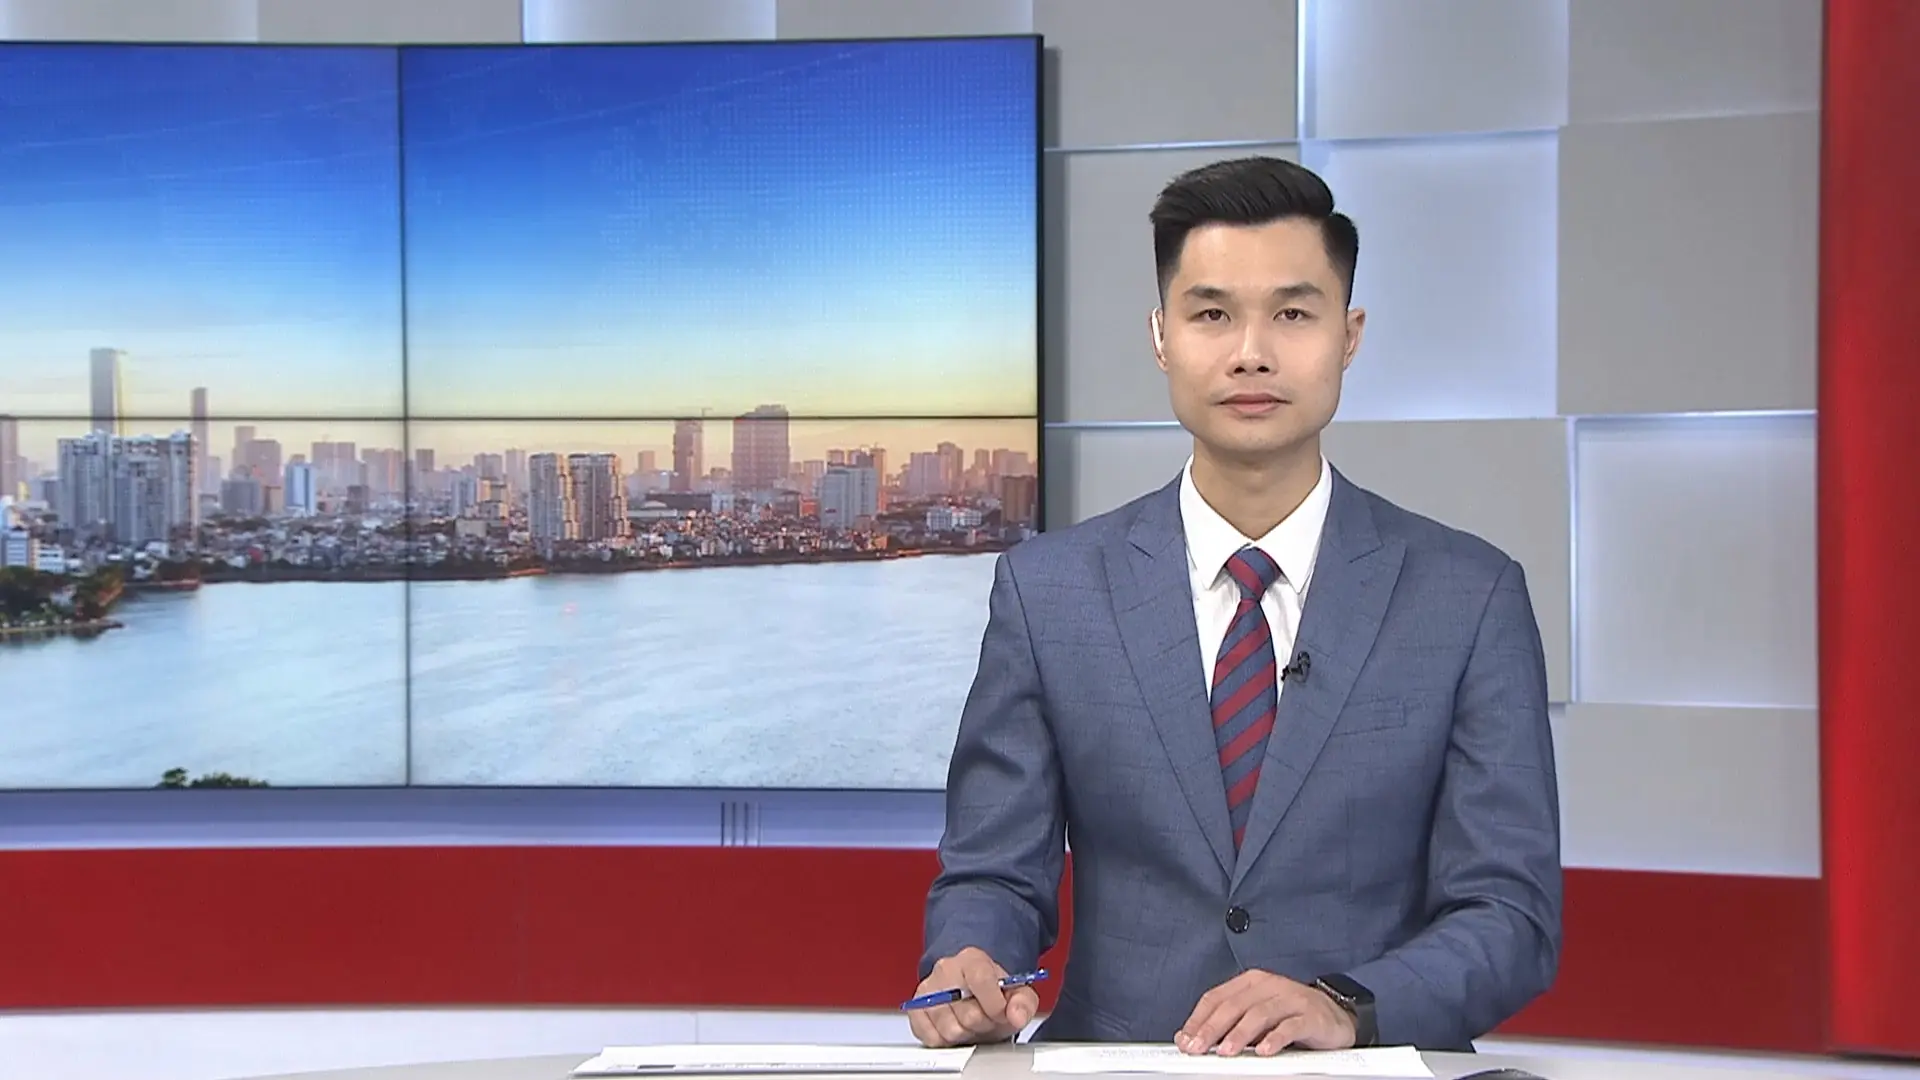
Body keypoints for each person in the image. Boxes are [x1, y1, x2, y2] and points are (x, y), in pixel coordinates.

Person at [910, 156, 1561, 1056]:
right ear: (1161, 336)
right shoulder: (1049, 591)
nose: (1251, 352)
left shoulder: (1468, 597)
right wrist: (972, 961)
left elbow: (1509, 913)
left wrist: (1346, 1006)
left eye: (1293, 314)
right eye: (1211, 314)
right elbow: (993, 873)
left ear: (1349, 335)